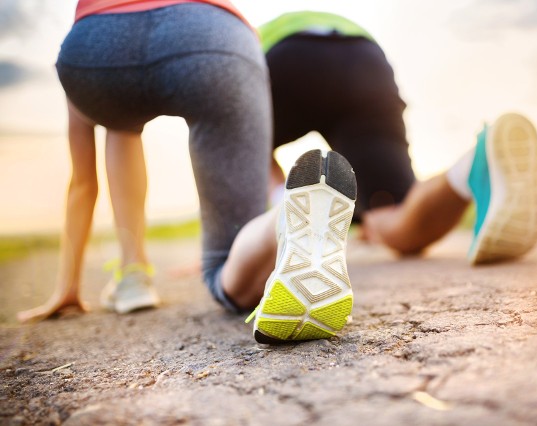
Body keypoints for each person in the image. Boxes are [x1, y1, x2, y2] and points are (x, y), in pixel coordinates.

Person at [17, 1, 357, 345]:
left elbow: (82, 184)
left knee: (118, 121)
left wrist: (68, 286)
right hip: (211, 36)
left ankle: (133, 274)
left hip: (94, 51)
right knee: (228, 260)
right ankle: (283, 218)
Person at [260, 11, 537, 264]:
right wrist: (372, 216)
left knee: (254, 153)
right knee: (394, 215)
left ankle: (285, 223)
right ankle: (472, 165)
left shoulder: (247, 37)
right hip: (362, 61)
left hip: (279, 62)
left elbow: (253, 153)